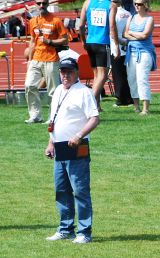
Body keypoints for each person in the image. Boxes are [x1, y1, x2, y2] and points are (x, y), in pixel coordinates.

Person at [44, 56, 99, 243]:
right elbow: (54, 120)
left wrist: (79, 135)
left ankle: (84, 232)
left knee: (80, 190)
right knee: (61, 189)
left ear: (77, 73)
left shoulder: (84, 92)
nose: (65, 75)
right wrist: (51, 142)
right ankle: (65, 228)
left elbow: (94, 119)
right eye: (63, 72)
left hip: (77, 146)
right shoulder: (58, 90)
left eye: (69, 72)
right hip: (60, 146)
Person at [24, 0, 68, 124]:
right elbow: (32, 41)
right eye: (39, 3)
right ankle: (35, 115)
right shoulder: (33, 21)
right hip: (36, 59)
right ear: (35, 5)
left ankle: (52, 117)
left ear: (48, 4)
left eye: (44, 3)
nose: (41, 5)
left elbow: (65, 40)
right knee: (29, 85)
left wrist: (50, 42)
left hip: (51, 59)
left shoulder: (56, 20)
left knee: (53, 91)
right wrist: (30, 60)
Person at [123, 0, 154, 115]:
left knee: (142, 79)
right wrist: (136, 35)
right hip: (131, 53)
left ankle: (145, 109)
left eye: (139, 4)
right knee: (132, 79)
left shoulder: (149, 19)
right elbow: (125, 34)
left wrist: (132, 34)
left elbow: (145, 35)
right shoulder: (131, 18)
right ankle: (136, 107)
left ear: (145, 5)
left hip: (144, 52)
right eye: (135, 3)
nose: (136, 6)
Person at [77, 0, 111, 104]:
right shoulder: (110, 4)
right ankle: (91, 102)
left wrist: (83, 41)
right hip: (103, 42)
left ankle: (97, 105)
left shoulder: (87, 2)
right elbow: (113, 26)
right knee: (103, 75)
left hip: (90, 42)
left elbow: (81, 26)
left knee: (96, 75)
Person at [109, 0, 134, 107]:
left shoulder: (112, 13)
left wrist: (117, 43)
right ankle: (130, 97)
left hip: (115, 46)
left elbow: (111, 30)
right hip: (126, 45)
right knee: (127, 73)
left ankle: (121, 98)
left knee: (118, 74)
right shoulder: (128, 14)